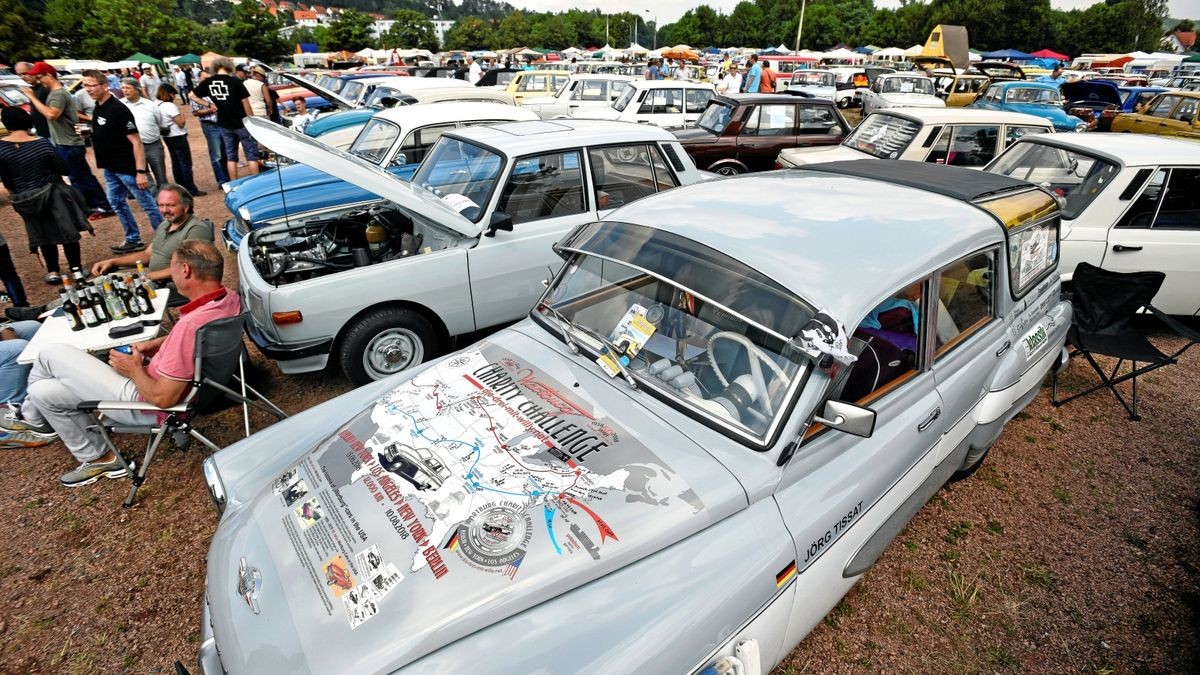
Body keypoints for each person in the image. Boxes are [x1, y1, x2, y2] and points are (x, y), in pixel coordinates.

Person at [0, 240, 241, 488]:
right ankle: (100, 457)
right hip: (196, 388)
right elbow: (194, 339)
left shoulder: (190, 327)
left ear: (186, 270)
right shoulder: (225, 300)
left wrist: (132, 368)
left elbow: (163, 399)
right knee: (44, 392)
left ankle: (31, 420)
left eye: (172, 266)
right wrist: (158, 343)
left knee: (50, 353)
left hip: (147, 403)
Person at [0, 106, 92, 287]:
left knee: (42, 232)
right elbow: (63, 169)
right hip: (52, 193)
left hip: (25, 196)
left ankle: (53, 270)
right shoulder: (41, 143)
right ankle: (76, 268)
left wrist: (16, 197)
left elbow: (7, 180)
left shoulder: (1, 148)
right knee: (67, 230)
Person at [80, 69, 163, 254]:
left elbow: (136, 142)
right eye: (85, 85)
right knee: (116, 202)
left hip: (128, 168)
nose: (88, 89)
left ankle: (165, 238)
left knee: (147, 203)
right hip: (110, 168)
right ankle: (133, 238)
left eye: (92, 85)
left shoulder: (118, 109)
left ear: (104, 85)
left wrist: (140, 171)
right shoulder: (99, 106)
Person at [18, 62, 112, 219]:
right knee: (77, 177)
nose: (39, 80)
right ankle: (90, 206)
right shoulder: (55, 93)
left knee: (81, 177)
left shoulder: (58, 94)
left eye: (40, 77)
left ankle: (102, 206)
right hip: (65, 142)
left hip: (69, 143)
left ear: (49, 75)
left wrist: (32, 98)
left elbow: (51, 114)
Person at [91, 184, 213, 284]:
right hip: (154, 280)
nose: (165, 210)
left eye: (170, 205)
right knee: (100, 284)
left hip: (175, 285)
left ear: (186, 207)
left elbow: (189, 267)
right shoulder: (165, 225)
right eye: (161, 205)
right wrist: (113, 262)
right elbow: (147, 254)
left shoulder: (196, 229)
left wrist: (146, 278)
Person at [189, 58, 259, 181]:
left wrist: (209, 105)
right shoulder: (235, 82)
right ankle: (257, 182)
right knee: (251, 156)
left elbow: (191, 95)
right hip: (242, 123)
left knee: (231, 157)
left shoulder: (209, 82)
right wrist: (252, 121)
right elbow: (246, 104)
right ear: (229, 67)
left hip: (224, 124)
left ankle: (233, 184)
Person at [155, 84, 204, 197]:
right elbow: (180, 123)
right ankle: (190, 188)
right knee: (185, 163)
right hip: (177, 135)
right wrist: (183, 117)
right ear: (169, 93)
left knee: (175, 162)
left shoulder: (156, 104)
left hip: (167, 136)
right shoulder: (169, 106)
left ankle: (180, 186)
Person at [121, 78, 168, 192]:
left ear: (137, 90)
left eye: (128, 88)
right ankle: (153, 199)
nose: (125, 90)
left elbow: (160, 122)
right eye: (123, 88)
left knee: (160, 174)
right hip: (133, 147)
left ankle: (164, 197)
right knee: (143, 175)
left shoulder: (150, 105)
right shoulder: (120, 105)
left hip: (153, 145)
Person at [189, 71, 231, 187]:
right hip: (210, 125)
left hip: (222, 123)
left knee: (225, 152)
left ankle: (228, 177)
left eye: (209, 77)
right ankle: (222, 181)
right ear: (199, 78)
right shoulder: (196, 93)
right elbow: (195, 112)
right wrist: (210, 109)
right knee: (216, 155)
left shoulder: (215, 89)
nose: (207, 80)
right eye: (205, 78)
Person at [13, 62, 51, 139]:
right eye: (19, 74)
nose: (22, 77)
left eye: (25, 73)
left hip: (52, 135)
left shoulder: (45, 88)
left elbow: (51, 113)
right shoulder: (33, 89)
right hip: (41, 134)